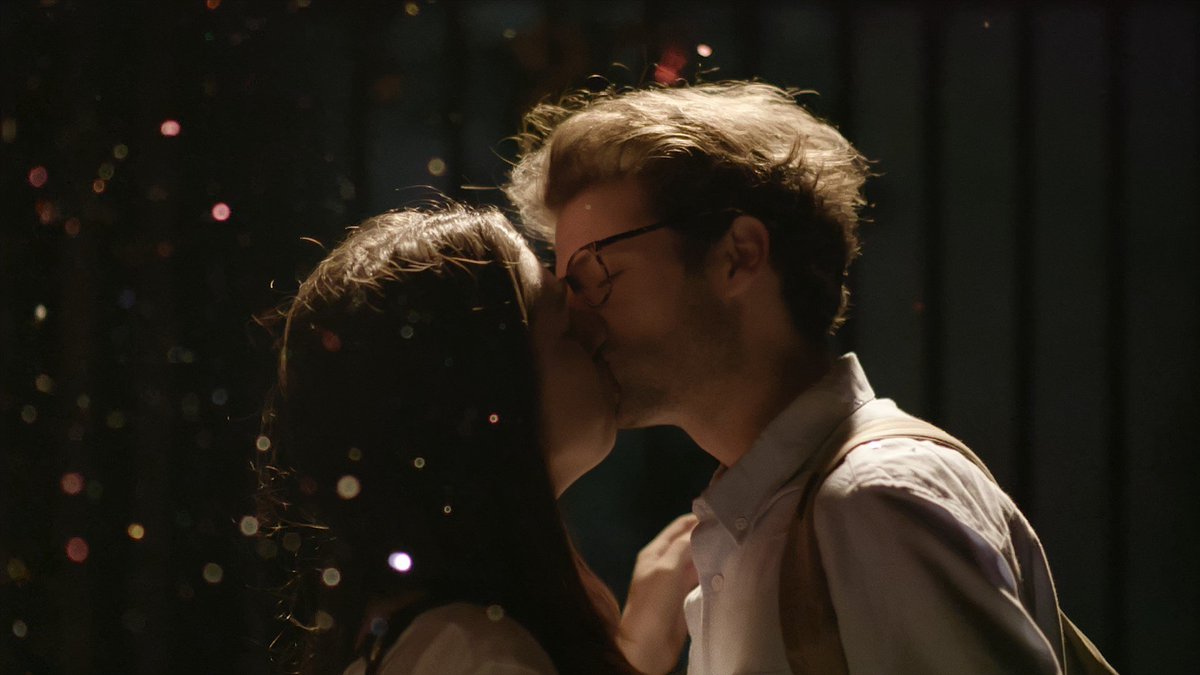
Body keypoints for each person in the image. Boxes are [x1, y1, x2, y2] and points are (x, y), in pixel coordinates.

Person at [505, 82, 1115, 674]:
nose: (576, 318)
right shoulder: (769, 518)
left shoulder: (869, 502)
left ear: (739, 255)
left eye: (595, 274)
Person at [256, 204, 689, 674]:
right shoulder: (476, 655)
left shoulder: (430, 638)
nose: (597, 328)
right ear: (488, 391)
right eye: (564, 327)